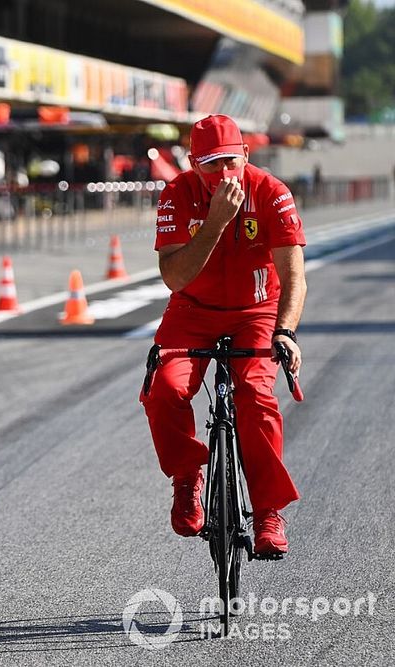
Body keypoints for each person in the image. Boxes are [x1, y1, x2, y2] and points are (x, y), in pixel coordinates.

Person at [141, 114, 306, 556]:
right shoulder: (177, 193)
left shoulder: (272, 192)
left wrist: (286, 332)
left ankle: (268, 511)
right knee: (165, 390)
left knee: (257, 397)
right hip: (192, 309)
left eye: (230, 162)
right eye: (210, 164)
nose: (222, 173)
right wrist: (214, 222)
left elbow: (294, 280)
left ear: (246, 156)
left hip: (256, 310)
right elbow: (174, 278)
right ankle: (187, 476)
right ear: (193, 164)